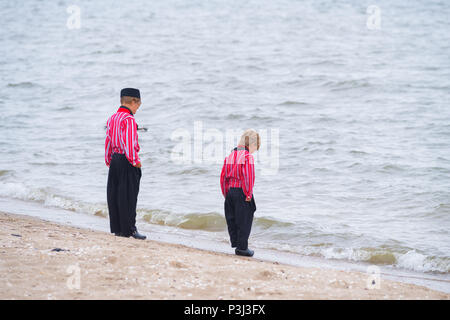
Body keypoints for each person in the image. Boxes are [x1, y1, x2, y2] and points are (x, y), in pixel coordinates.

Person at [105, 88, 146, 240]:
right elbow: (129, 143)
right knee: (128, 196)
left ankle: (118, 229)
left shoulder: (112, 118)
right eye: (138, 105)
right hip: (127, 160)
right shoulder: (129, 120)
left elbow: (108, 141)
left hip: (115, 159)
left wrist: (109, 159)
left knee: (115, 195)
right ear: (134, 102)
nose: (137, 109)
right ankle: (130, 229)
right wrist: (136, 162)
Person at [220, 129, 260, 257]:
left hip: (230, 192)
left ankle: (237, 244)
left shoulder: (230, 156)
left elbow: (223, 177)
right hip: (242, 192)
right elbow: (248, 176)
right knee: (245, 218)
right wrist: (248, 193)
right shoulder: (248, 157)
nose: (254, 151)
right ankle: (242, 248)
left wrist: (226, 193)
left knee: (233, 219)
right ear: (251, 144)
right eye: (255, 147)